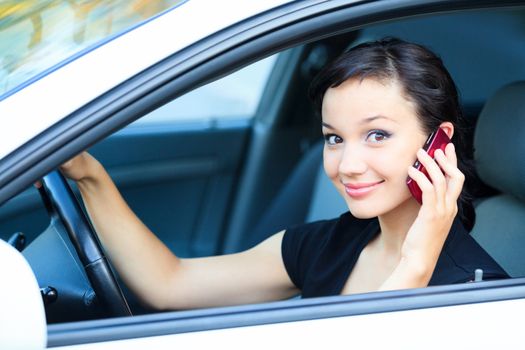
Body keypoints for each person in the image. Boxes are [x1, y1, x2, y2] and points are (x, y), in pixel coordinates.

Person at [61, 38, 508, 310]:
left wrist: (414, 266)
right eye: (334, 138)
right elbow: (171, 283)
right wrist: (89, 176)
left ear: (438, 142)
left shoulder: (481, 295)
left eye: (376, 135)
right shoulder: (328, 244)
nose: (347, 165)